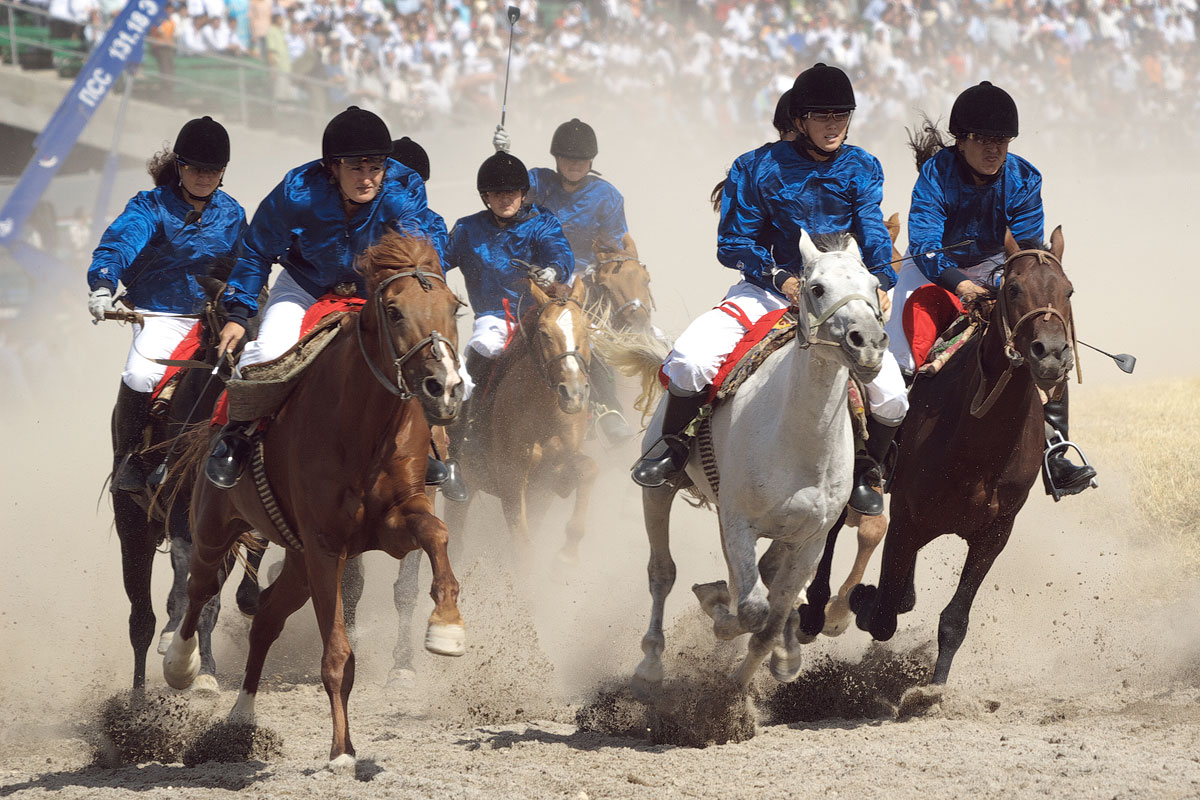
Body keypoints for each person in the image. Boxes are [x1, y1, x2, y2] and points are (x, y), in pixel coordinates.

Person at [632, 63, 908, 518]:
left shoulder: (863, 166)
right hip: (766, 291)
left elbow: (874, 232)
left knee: (894, 397)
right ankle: (674, 449)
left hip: (838, 297)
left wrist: (882, 281)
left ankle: (865, 471)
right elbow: (732, 244)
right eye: (823, 115)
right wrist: (781, 277)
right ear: (799, 119)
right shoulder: (755, 166)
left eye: (842, 114)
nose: (834, 124)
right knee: (690, 361)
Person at [205, 106, 449, 489]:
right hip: (306, 285)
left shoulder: (404, 188)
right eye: (356, 168)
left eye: (375, 168)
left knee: (413, 352)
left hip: (374, 288)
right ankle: (236, 436)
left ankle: (423, 447)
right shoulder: (296, 191)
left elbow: (416, 246)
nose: (368, 179)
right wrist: (238, 314)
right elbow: (255, 251)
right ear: (332, 167)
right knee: (268, 350)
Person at [888, 80, 1097, 498]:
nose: (994, 150)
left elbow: (1023, 252)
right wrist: (961, 284)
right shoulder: (936, 174)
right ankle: (880, 457)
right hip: (931, 270)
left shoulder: (1023, 177)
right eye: (983, 140)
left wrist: (1003, 285)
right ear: (961, 141)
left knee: (1046, 337)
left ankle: (1056, 451)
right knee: (900, 352)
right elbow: (927, 247)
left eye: (1001, 140)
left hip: (996, 270)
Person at [87, 116, 245, 493]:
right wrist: (103, 283)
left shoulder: (234, 213)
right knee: (139, 375)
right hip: (164, 315)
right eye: (196, 168)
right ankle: (132, 460)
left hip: (219, 317)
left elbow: (246, 265)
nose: (205, 177)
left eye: (214, 170)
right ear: (179, 166)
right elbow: (118, 245)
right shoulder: (149, 208)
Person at [438, 151, 576, 501]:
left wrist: (553, 271)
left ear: (523, 193)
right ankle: (466, 434)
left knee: (578, 346)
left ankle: (606, 413)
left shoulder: (542, 221)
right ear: (485, 196)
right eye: (497, 194)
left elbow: (560, 253)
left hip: (537, 313)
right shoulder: (468, 228)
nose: (505, 199)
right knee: (483, 348)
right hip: (493, 317)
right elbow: (438, 261)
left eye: (512, 192)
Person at [493, 118, 636, 442]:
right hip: (534, 276)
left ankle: (607, 408)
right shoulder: (537, 182)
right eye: (569, 158)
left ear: (591, 161)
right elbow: (505, 194)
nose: (575, 164)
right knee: (506, 342)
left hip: (583, 282)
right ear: (557, 159)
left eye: (581, 160)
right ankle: (485, 412)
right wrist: (503, 155)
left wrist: (590, 279)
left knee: (592, 340)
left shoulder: (607, 195)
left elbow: (613, 246)